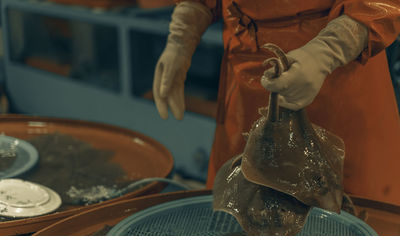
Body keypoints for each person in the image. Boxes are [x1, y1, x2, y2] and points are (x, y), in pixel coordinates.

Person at [152, 0, 400, 206]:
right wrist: (182, 34)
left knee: (357, 227)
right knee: (241, 221)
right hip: (248, 82)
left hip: (340, 83)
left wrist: (327, 50)